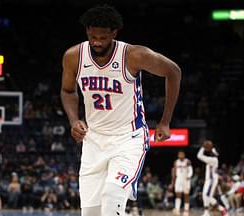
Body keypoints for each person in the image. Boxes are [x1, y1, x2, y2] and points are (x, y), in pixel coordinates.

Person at [60, 5, 181, 216]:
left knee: (111, 197)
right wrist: (73, 120)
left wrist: (164, 121)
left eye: (103, 38)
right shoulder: (74, 56)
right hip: (94, 141)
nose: (97, 42)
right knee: (91, 214)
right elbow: (67, 90)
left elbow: (173, 72)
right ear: (87, 30)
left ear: (114, 33)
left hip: (128, 139)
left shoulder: (134, 55)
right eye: (93, 37)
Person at [197, 140, 228, 216]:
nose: (211, 152)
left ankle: (222, 209)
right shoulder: (213, 158)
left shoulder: (213, 160)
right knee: (205, 196)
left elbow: (199, 156)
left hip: (211, 180)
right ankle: (206, 212)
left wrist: (203, 147)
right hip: (210, 180)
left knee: (207, 196)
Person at [171, 151, 193, 215]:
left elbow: (191, 170)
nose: (180, 156)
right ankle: (177, 209)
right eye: (179, 155)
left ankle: (186, 210)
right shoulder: (176, 162)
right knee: (178, 194)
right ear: (178, 155)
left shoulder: (187, 161)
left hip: (186, 179)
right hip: (179, 179)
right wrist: (172, 182)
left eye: (182, 155)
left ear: (184, 155)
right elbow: (174, 172)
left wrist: (189, 176)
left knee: (186, 195)